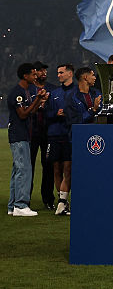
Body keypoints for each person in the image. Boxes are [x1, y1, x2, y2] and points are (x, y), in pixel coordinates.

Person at [8, 63, 46, 216]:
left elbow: (31, 112)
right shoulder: (18, 93)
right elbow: (23, 114)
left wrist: (39, 99)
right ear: (25, 76)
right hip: (19, 135)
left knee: (18, 170)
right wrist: (37, 100)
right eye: (33, 74)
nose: (35, 76)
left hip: (24, 134)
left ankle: (12, 206)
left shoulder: (26, 91)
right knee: (24, 170)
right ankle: (20, 205)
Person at [45, 64, 76, 216]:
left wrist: (68, 115)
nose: (59, 75)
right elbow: (46, 114)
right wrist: (56, 114)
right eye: (58, 73)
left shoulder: (77, 92)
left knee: (68, 169)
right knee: (56, 169)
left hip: (69, 135)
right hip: (54, 135)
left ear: (70, 74)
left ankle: (63, 201)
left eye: (61, 72)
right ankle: (62, 202)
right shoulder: (54, 93)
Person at [30, 61, 56, 210]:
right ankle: (25, 199)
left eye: (45, 70)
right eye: (40, 70)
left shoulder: (52, 89)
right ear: (34, 73)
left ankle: (48, 199)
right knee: (29, 167)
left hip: (48, 132)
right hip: (31, 133)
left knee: (48, 166)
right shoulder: (28, 89)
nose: (43, 73)